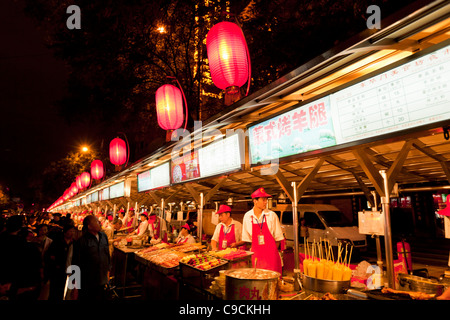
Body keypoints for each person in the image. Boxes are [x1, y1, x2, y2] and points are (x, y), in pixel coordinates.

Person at [242, 188, 284, 274]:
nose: (266, 202)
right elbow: (248, 240)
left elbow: (278, 239)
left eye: (266, 200)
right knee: (259, 281)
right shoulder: (247, 216)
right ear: (255, 201)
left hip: (271, 256)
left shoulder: (271, 215)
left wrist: (271, 253)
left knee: (273, 281)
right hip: (257, 256)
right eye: (263, 200)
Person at [72, 215, 111, 300]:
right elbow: (76, 263)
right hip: (87, 282)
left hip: (102, 279)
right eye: (97, 221)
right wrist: (75, 286)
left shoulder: (104, 236)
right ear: (89, 226)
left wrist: (108, 271)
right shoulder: (81, 241)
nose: (100, 223)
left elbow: (107, 254)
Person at [45, 224, 76, 300]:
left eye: (73, 231)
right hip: (57, 270)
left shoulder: (74, 243)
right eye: (70, 231)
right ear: (65, 232)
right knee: (55, 291)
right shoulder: (58, 242)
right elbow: (50, 255)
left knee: (65, 291)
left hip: (69, 270)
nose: (72, 233)